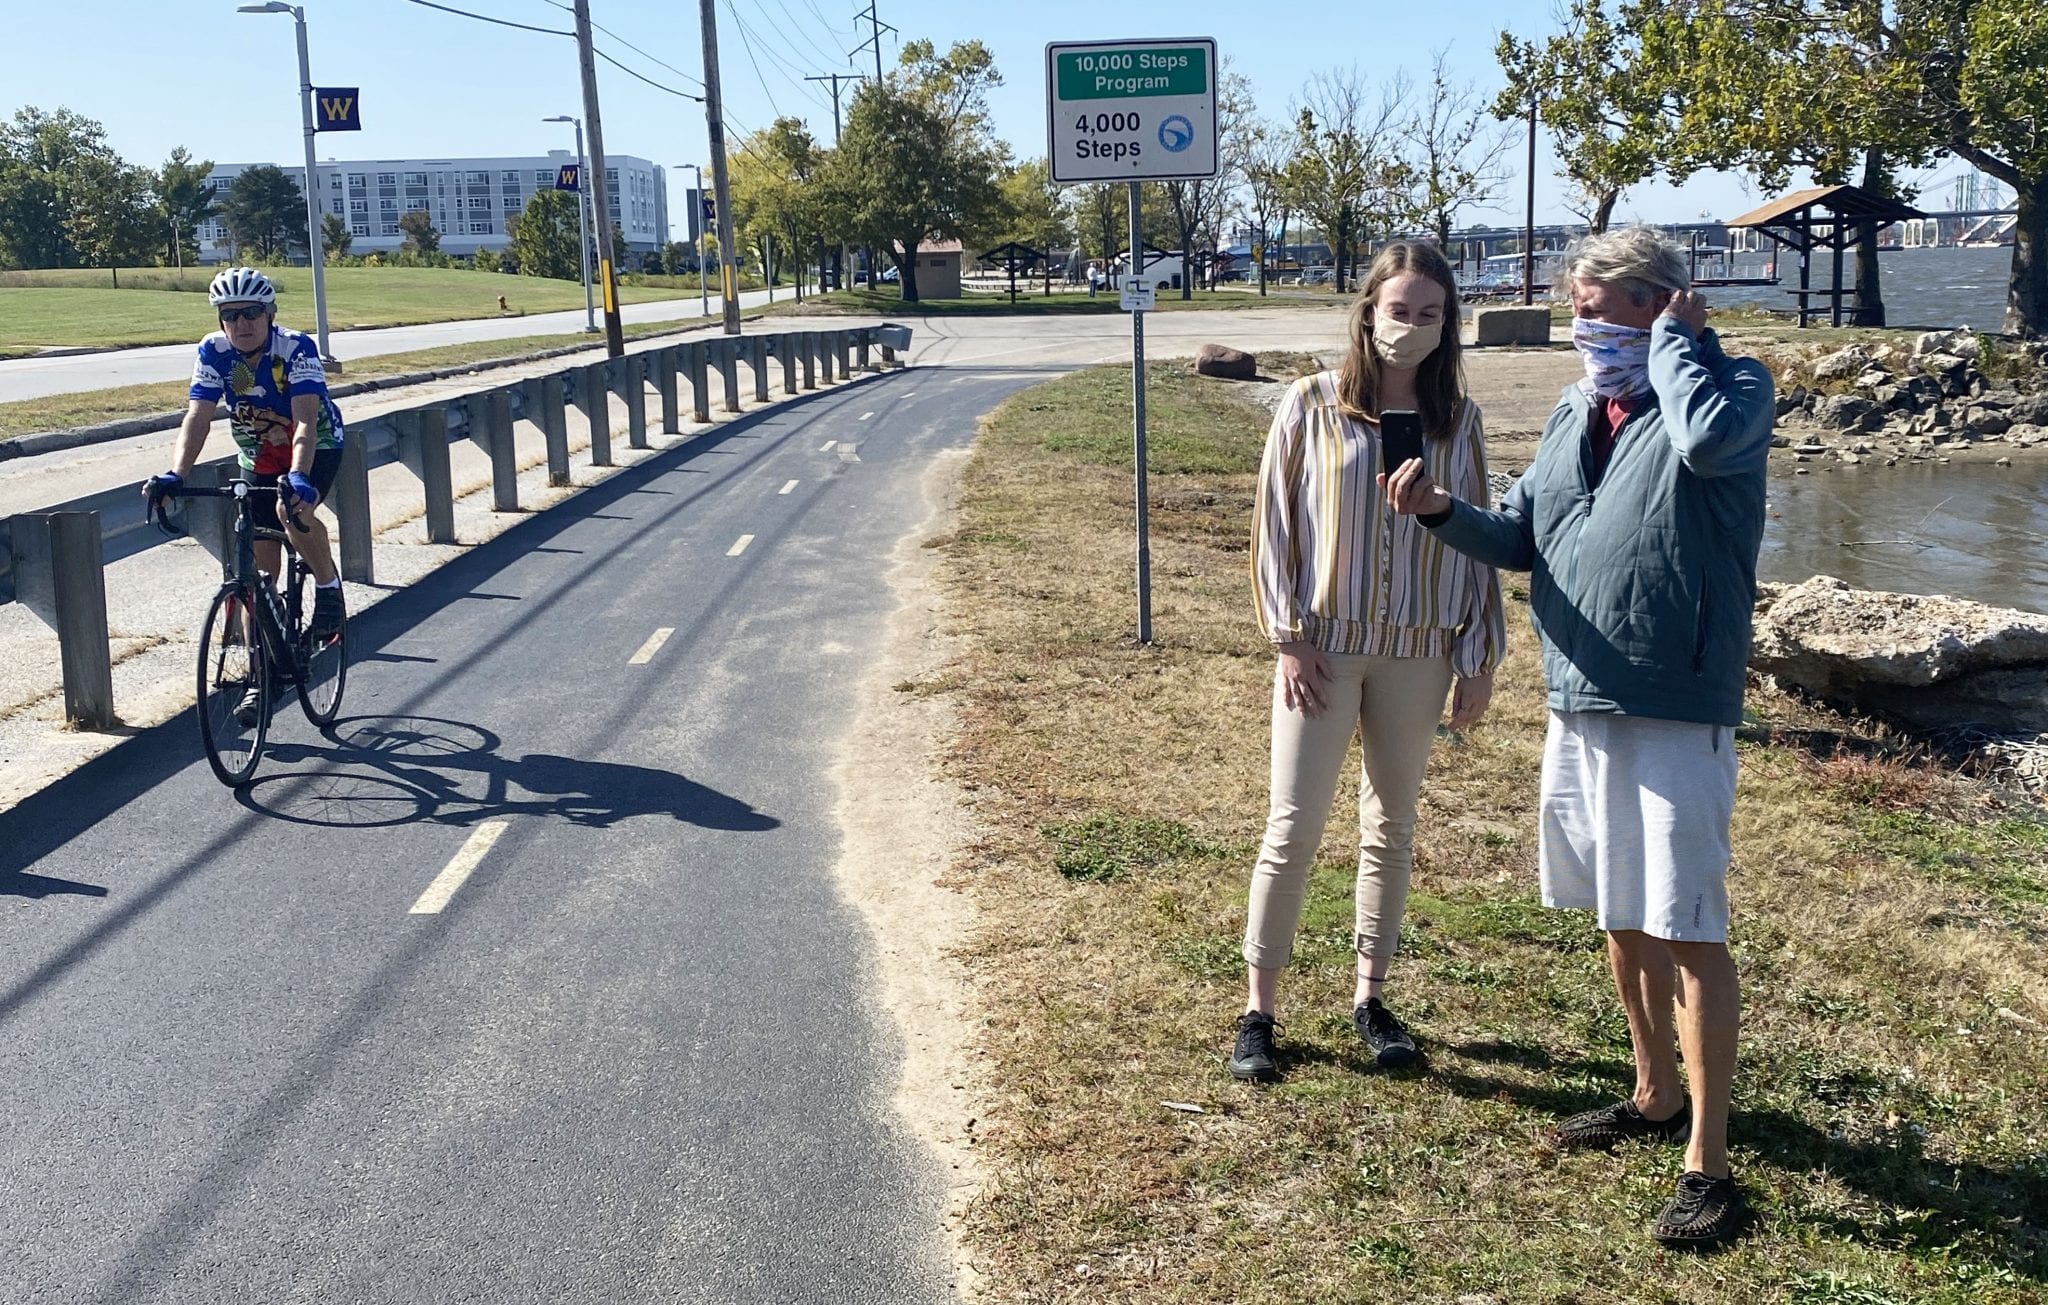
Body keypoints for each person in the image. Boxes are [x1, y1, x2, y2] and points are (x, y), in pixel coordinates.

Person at [1383, 226, 1773, 1249]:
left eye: (1601, 304)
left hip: (1674, 702)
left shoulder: (1730, 388)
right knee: (1618, 910)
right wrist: (1438, 513)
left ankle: (1708, 1162)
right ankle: (1650, 1093)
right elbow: (1521, 536)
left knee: (1688, 922)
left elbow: (1702, 449)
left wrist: (1682, 349)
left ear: (1660, 305)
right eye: (1577, 302)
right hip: (1577, 697)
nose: (1581, 321)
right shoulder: (1570, 409)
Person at [1231, 240, 1506, 1083]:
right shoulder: (1310, 405)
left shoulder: (1459, 421)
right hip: (1326, 649)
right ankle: (1259, 1009)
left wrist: (1479, 655)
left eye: (1431, 314)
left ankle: (1371, 997)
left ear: (1448, 323)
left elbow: (1480, 538)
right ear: (1368, 311)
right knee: (1294, 825)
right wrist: (1289, 635)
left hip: (1420, 650)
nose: (1413, 327)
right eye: (1400, 310)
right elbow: (1273, 523)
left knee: (1392, 827)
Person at [146, 266, 347, 722]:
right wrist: (177, 473)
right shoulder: (214, 352)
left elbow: (307, 423)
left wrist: (299, 476)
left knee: (291, 509)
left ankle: (329, 589)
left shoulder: (294, 347)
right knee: (258, 569)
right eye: (231, 314)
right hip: (257, 455)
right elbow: (197, 417)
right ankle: (263, 677)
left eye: (252, 312)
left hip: (317, 446)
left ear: (270, 312)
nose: (242, 323)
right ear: (221, 320)